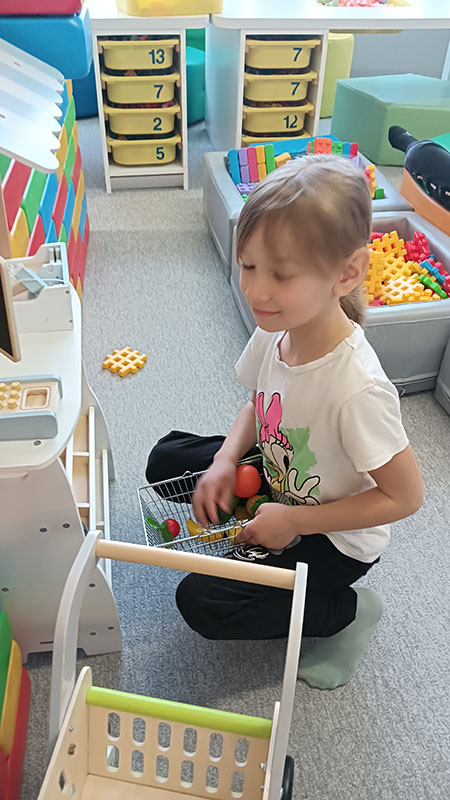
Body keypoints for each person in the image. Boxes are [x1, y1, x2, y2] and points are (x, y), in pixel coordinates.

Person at [146, 154, 423, 689]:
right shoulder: (278, 327)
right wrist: (224, 461)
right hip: (281, 472)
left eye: (280, 274)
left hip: (333, 537)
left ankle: (346, 611)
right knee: (167, 458)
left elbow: (405, 497)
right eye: (248, 266)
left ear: (347, 273)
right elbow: (258, 403)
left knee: (202, 600)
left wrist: (294, 522)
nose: (255, 290)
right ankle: (253, 504)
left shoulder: (358, 389)